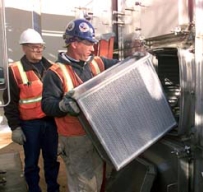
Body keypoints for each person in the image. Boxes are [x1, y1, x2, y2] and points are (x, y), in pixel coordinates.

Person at [41, 18, 119, 192]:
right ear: (75, 43)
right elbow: (47, 105)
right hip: (75, 139)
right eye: (89, 43)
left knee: (97, 180)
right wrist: (63, 106)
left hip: (98, 134)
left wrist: (139, 58)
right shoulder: (55, 73)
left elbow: (122, 67)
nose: (93, 48)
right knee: (83, 184)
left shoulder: (97, 63)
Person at [3, 28, 60, 192]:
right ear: (24, 48)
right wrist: (15, 127)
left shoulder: (52, 68)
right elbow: (10, 102)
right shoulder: (14, 70)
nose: (38, 49)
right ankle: (34, 189)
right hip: (30, 126)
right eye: (33, 47)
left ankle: (53, 188)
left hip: (50, 123)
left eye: (40, 46)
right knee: (31, 162)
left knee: (51, 159)